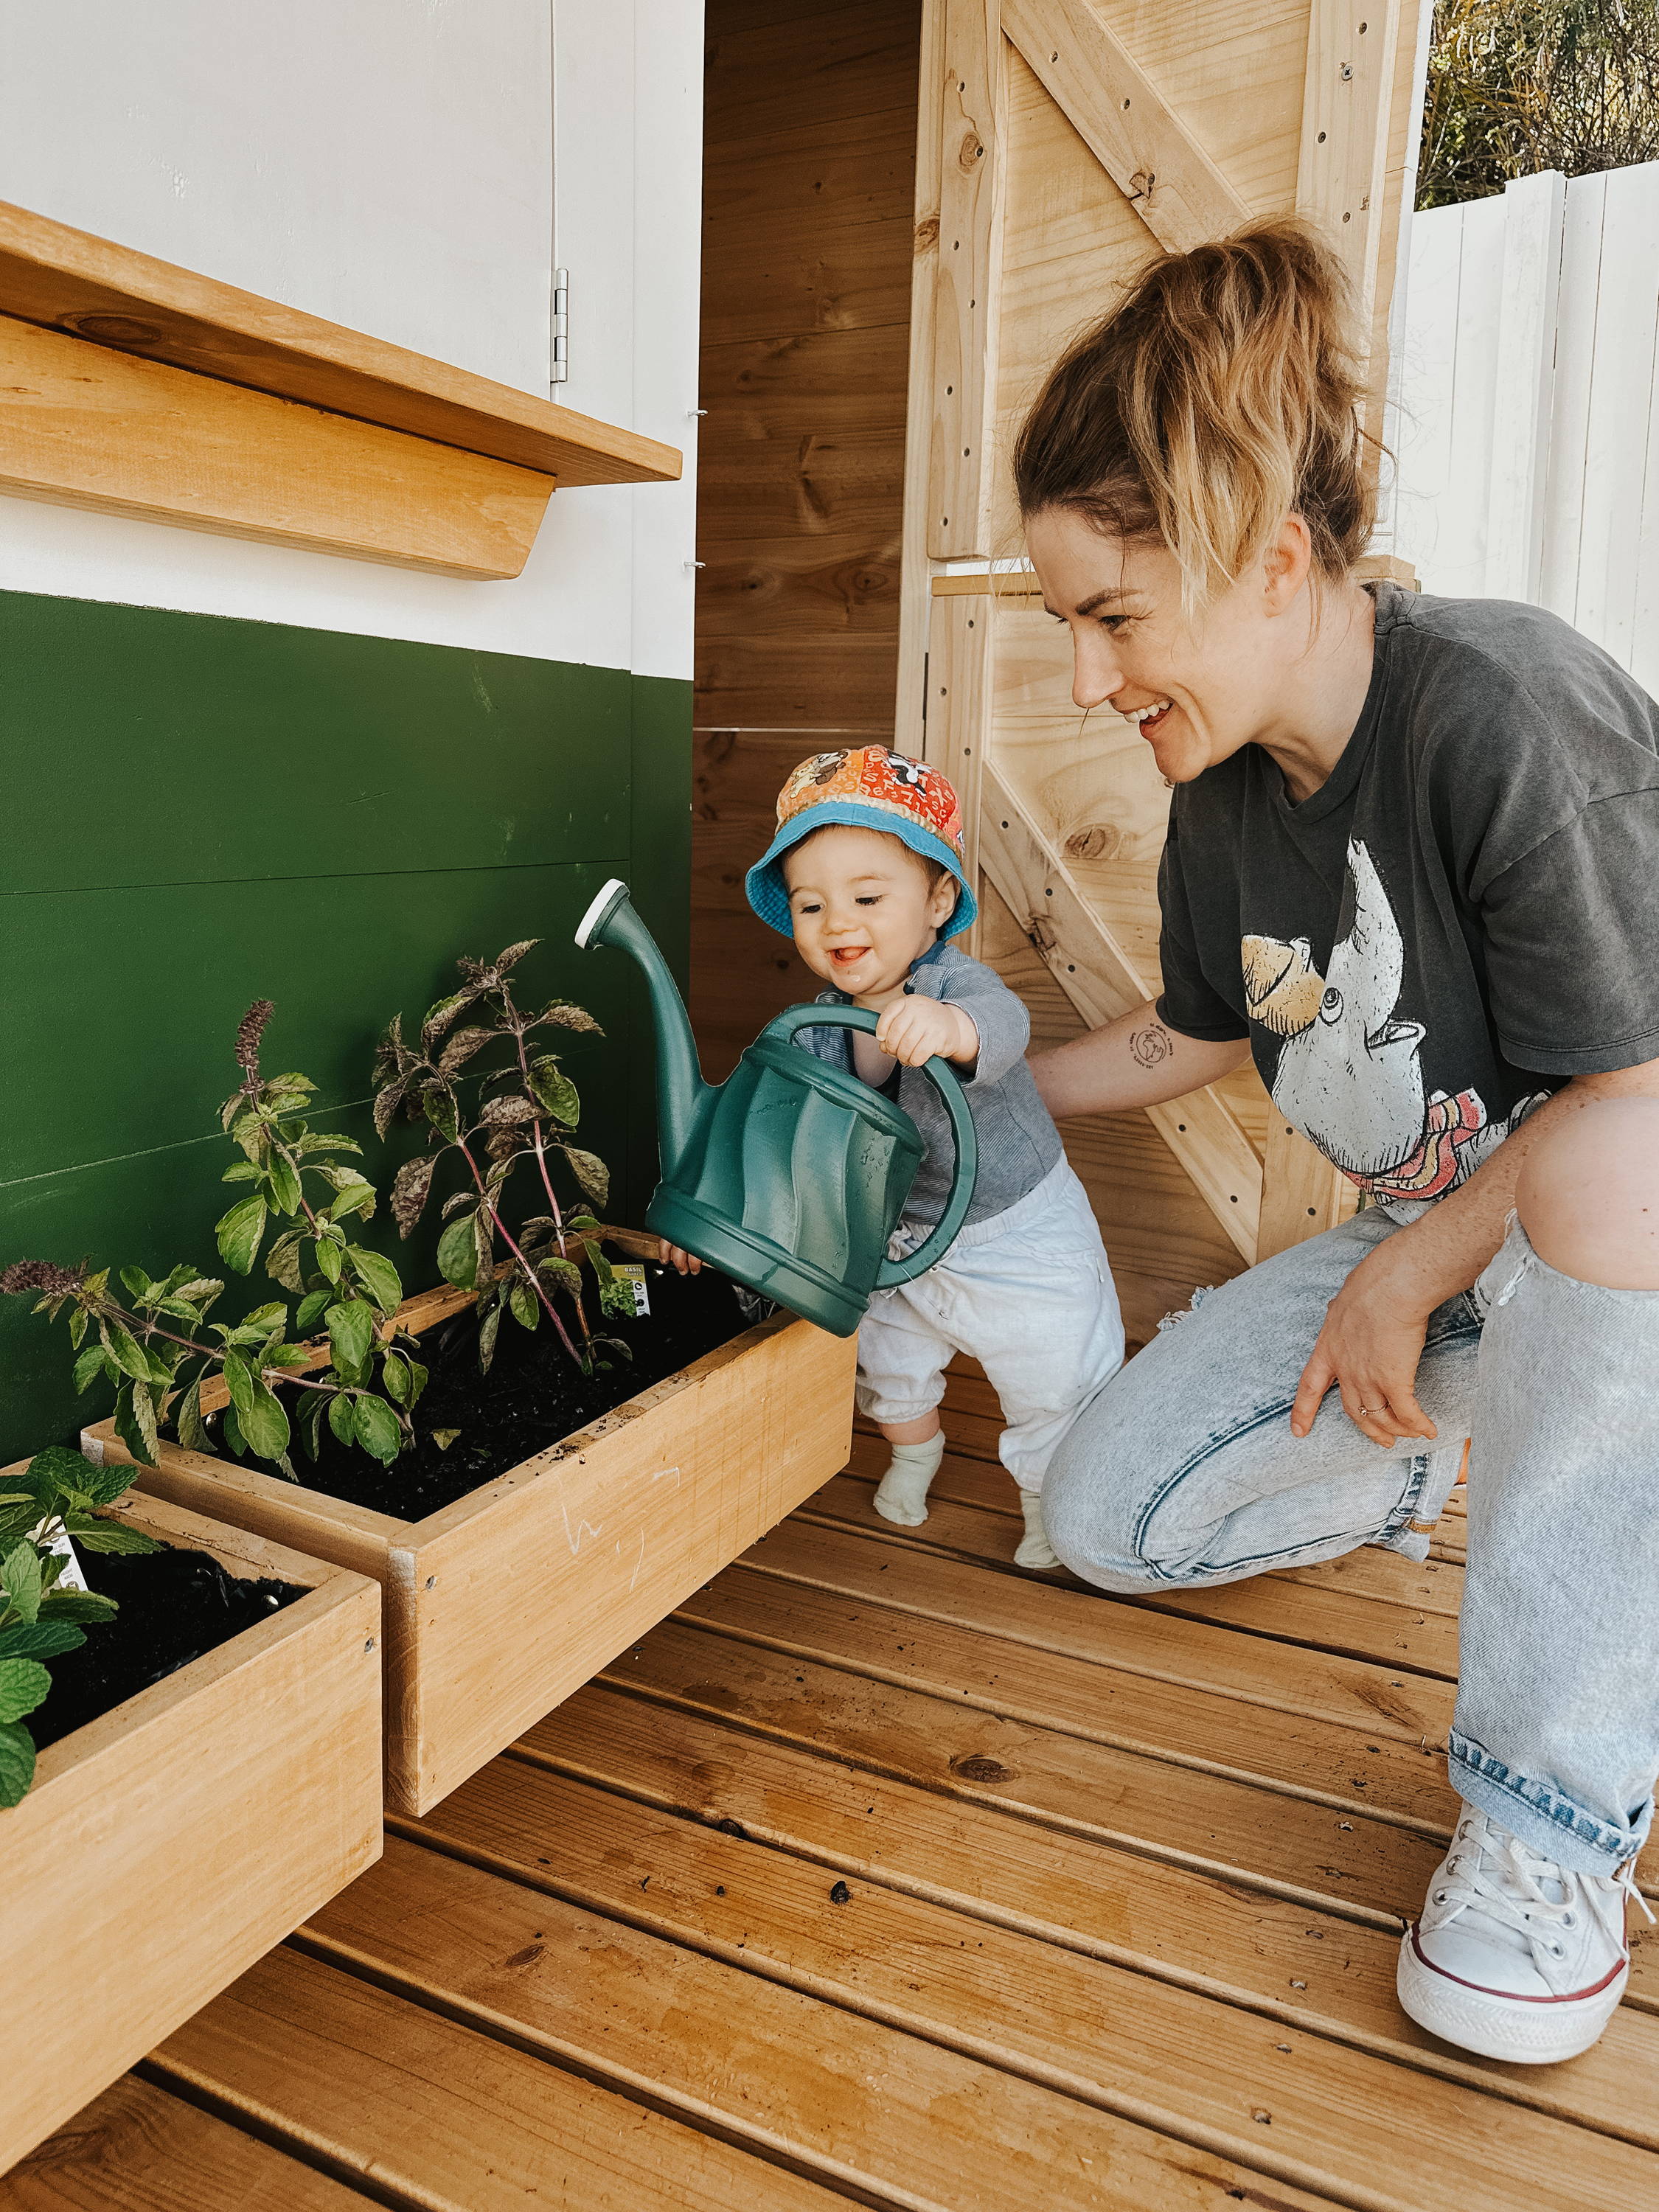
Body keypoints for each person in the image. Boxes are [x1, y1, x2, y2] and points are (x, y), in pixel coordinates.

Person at [1014, 218, 1659, 2067]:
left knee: (1612, 1167)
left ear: (1275, 559)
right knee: (1104, 1517)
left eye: (1111, 615)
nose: (1081, 678)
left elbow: (1629, 1098)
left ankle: (1550, 1824)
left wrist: (1394, 1270)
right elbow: (1203, 1030)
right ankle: (1422, 1472)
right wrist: (979, 1083)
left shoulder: (1506, 715)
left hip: (1609, 1269)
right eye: (1063, 622)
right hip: (1447, 1279)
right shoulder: (1221, 797)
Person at [668, 743, 1123, 1568]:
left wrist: (953, 1032)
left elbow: (1006, 1024)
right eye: (810, 906)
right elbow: (760, 1125)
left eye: (868, 897)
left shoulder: (956, 988)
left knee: (1052, 1367)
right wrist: (708, 1209)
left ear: (937, 899)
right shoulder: (811, 1025)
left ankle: (1047, 1498)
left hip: (1014, 1227)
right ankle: (914, 1451)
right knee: (886, 1360)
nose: (839, 923)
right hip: (903, 1232)